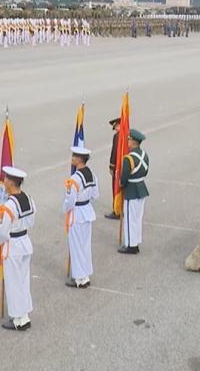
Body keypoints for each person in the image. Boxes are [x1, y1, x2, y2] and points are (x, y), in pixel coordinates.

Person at [0, 166, 35, 331]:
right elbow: (32, 220)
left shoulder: (9, 205)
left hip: (13, 245)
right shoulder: (28, 198)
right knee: (23, 280)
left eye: (6, 179)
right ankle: (24, 314)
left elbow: (3, 231)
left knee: (13, 282)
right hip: (25, 241)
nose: (4, 181)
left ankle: (18, 319)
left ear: (11, 182)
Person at [64, 146, 98, 288]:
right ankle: (85, 275)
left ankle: (79, 278)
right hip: (87, 211)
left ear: (79, 159)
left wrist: (65, 209)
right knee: (85, 245)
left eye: (74, 156)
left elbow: (70, 201)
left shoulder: (74, 179)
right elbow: (96, 194)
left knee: (76, 246)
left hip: (77, 213)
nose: (72, 158)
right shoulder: (92, 174)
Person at [118, 129, 149, 254]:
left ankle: (130, 245)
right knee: (137, 218)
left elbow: (124, 177)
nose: (128, 141)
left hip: (131, 190)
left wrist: (121, 184)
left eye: (129, 139)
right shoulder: (144, 155)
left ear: (134, 142)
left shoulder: (128, 158)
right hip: (141, 187)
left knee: (130, 219)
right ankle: (135, 242)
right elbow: (146, 171)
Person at [104, 117, 121, 220]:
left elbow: (114, 152)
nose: (115, 129)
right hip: (125, 167)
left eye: (115, 126)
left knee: (116, 188)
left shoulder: (118, 136)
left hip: (117, 168)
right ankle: (121, 209)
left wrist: (112, 166)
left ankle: (117, 211)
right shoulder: (127, 135)